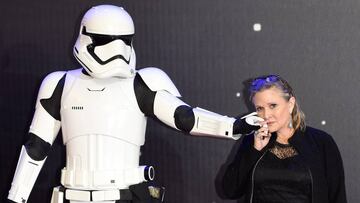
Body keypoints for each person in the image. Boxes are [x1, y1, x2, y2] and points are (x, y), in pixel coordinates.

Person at [7, 5, 259, 203]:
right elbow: (36, 147)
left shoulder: (142, 82)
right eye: (106, 40)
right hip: (72, 195)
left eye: (124, 40)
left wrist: (234, 126)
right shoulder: (60, 84)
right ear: (87, 38)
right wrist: (16, 197)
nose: (117, 50)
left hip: (126, 195)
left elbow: (185, 118)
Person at [221, 75, 347, 203]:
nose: (266, 115)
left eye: (273, 105)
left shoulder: (321, 142)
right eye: (260, 108)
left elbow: (337, 196)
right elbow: (229, 190)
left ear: (290, 104)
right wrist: (254, 150)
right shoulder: (253, 141)